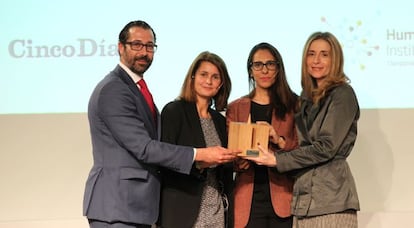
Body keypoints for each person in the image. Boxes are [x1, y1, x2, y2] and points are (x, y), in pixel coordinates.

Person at [82, 20, 239, 228]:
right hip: (117, 205)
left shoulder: (136, 88)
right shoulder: (114, 89)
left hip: (138, 207)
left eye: (149, 46)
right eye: (137, 44)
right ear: (121, 47)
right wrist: (200, 155)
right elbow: (144, 147)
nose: (144, 52)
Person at [245, 32, 360, 228]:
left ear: (335, 60)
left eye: (324, 54)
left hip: (331, 200)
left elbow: (325, 147)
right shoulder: (305, 100)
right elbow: (302, 146)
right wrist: (279, 141)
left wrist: (277, 159)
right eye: (311, 54)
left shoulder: (342, 94)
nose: (316, 60)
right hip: (302, 202)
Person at [157, 51, 233, 228]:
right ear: (192, 77)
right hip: (183, 208)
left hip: (216, 209)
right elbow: (164, 160)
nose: (208, 81)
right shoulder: (173, 111)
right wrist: (201, 162)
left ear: (221, 84)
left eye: (215, 77)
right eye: (203, 74)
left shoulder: (220, 121)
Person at [226, 42, 298, 228]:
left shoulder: (294, 105)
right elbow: (227, 156)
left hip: (283, 198)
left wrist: (279, 140)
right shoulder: (235, 108)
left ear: (278, 68)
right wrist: (239, 161)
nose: (264, 70)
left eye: (270, 64)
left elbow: (303, 151)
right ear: (250, 70)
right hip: (247, 199)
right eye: (258, 65)